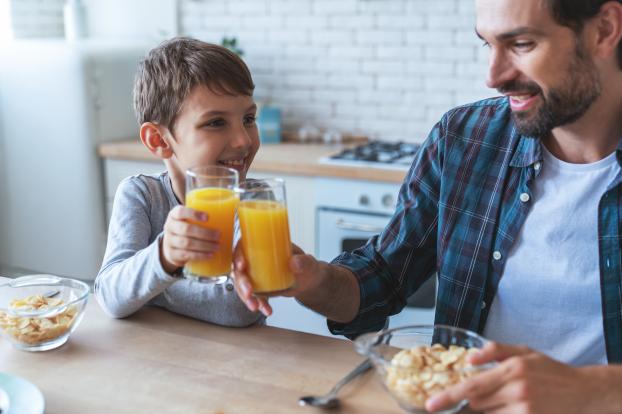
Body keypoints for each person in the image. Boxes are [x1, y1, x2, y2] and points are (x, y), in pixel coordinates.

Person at [233, 0, 622, 412]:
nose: (493, 76)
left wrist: (592, 389)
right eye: (486, 45)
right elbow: (384, 279)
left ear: (604, 29)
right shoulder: (464, 138)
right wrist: (311, 278)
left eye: (522, 44)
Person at [95, 37, 264, 327]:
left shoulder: (256, 200)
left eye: (248, 118)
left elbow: (238, 306)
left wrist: (150, 288)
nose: (243, 140)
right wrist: (163, 256)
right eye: (216, 122)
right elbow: (110, 295)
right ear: (159, 140)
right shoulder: (141, 195)